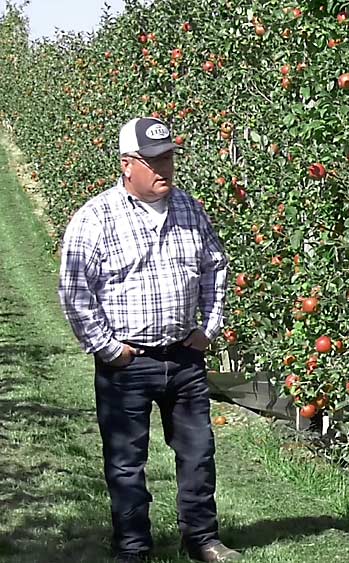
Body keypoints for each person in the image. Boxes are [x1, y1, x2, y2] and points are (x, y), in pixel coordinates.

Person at [57, 117, 240, 563]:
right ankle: (133, 546)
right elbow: (75, 290)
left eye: (169, 158)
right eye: (154, 160)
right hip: (127, 362)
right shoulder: (95, 218)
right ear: (127, 165)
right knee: (126, 462)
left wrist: (209, 328)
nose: (165, 168)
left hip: (183, 357)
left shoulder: (190, 210)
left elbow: (216, 267)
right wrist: (108, 349)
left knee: (198, 455)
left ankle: (201, 538)